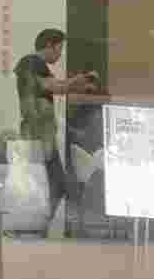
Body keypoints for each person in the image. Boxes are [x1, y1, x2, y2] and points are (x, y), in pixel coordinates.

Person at [12, 27, 97, 234]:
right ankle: (37, 226)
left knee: (53, 184)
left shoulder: (31, 65)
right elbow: (57, 87)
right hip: (39, 133)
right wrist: (78, 81)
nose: (60, 54)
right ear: (49, 45)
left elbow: (55, 87)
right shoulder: (32, 62)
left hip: (39, 132)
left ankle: (37, 226)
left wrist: (78, 85)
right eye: (59, 49)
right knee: (54, 184)